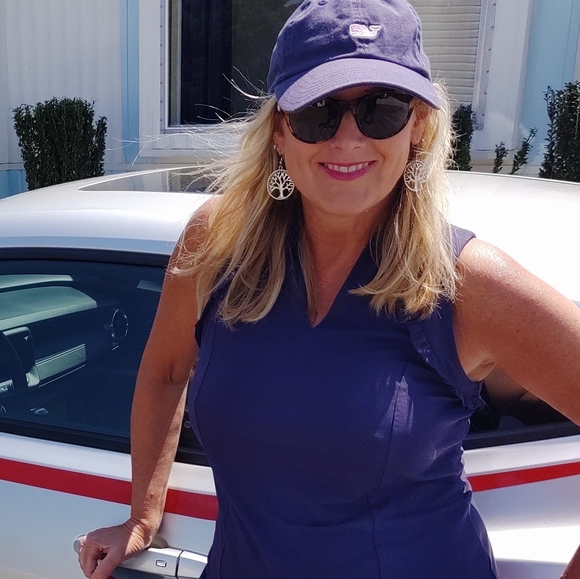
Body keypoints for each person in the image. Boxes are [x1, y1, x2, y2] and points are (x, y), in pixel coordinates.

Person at [78, 0, 580, 578]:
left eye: (381, 110)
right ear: (279, 131)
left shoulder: (465, 282)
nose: (348, 138)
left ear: (418, 126)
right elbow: (165, 373)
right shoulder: (217, 243)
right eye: (318, 112)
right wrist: (142, 514)